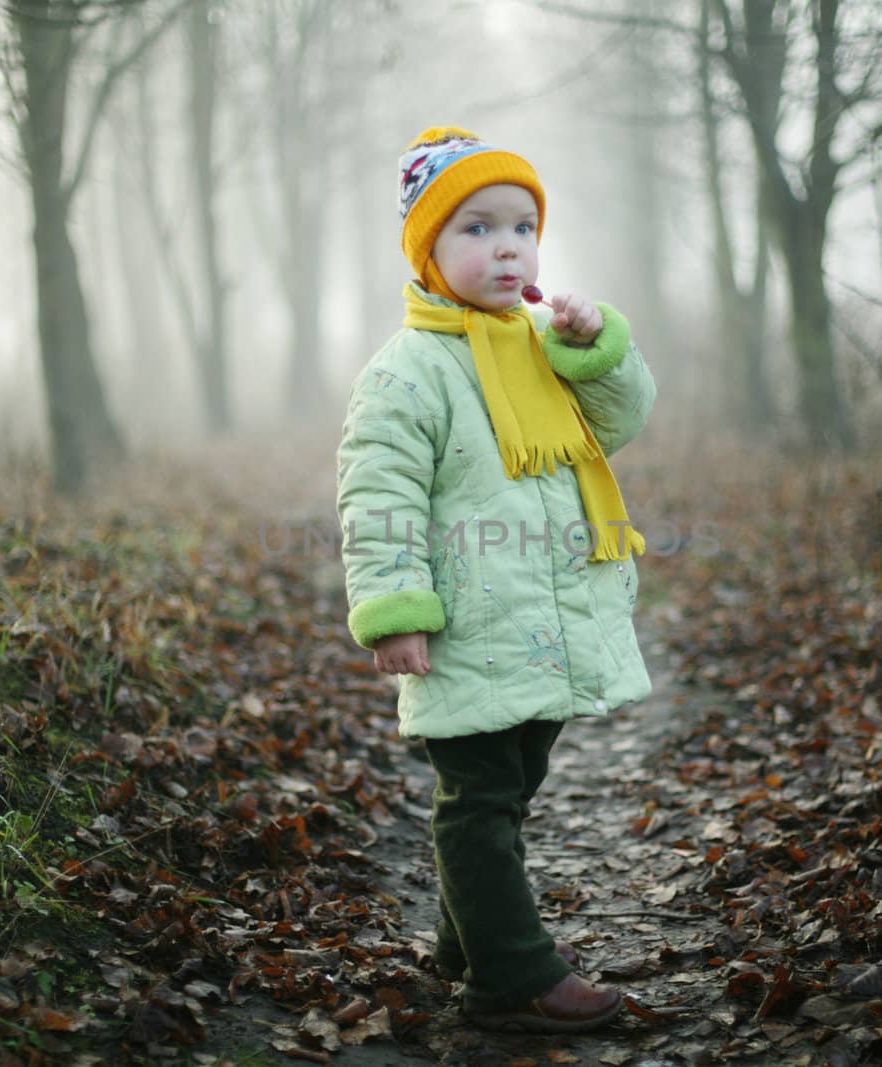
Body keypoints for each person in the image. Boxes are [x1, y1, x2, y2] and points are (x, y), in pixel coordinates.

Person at [335, 127, 655, 1033]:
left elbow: (618, 423)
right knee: (477, 801)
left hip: (543, 622)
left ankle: (465, 936)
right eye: (476, 228)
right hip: (472, 624)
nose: (507, 246)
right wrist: (397, 610)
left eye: (522, 226)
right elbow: (379, 494)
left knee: (511, 787)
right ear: (429, 252)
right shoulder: (407, 373)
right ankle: (510, 977)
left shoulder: (538, 341)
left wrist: (594, 350)